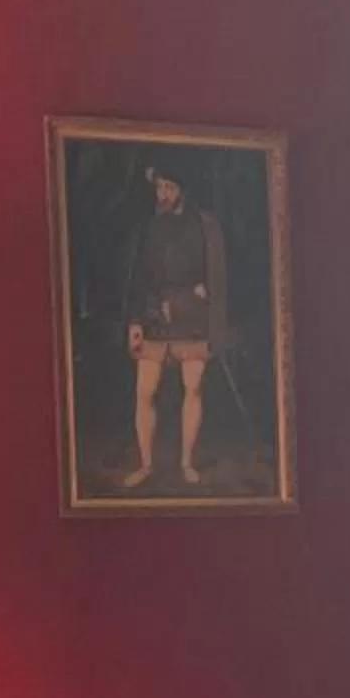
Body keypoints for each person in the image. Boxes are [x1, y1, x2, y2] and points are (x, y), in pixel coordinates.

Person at [119, 161, 229, 488]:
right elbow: (138, 277)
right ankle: (146, 464)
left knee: (193, 388)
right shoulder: (150, 228)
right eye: (159, 187)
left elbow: (214, 278)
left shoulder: (203, 225)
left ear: (183, 189)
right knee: (144, 391)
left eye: (169, 187)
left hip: (192, 318)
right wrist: (136, 320)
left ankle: (186, 463)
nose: (163, 194)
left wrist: (201, 298)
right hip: (154, 318)